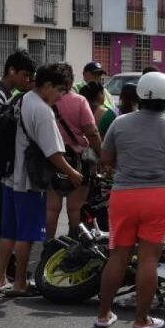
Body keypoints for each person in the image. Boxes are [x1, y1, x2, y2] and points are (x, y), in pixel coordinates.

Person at [95, 71, 165, 328]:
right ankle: (141, 320)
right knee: (148, 259)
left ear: (139, 96)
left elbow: (106, 157)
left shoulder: (120, 123)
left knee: (117, 255)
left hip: (124, 195)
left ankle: (104, 314)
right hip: (161, 195)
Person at [0, 63, 83, 297]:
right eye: (60, 90)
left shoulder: (22, 99)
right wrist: (72, 173)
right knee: (26, 236)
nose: (61, 96)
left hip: (10, 176)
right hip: (28, 181)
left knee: (8, 232)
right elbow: (53, 152)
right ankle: (20, 282)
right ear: (48, 85)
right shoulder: (41, 110)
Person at [0, 50, 36, 284]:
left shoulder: (7, 94)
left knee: (5, 218)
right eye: (24, 75)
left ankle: (2, 267)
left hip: (1, 165)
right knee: (0, 217)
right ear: (12, 71)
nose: (27, 80)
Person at [46, 63, 102, 240]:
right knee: (75, 208)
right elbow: (91, 132)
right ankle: (74, 242)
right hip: (78, 161)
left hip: (52, 159)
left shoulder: (45, 101)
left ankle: (48, 243)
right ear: (70, 81)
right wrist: (102, 156)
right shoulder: (79, 101)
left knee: (51, 209)